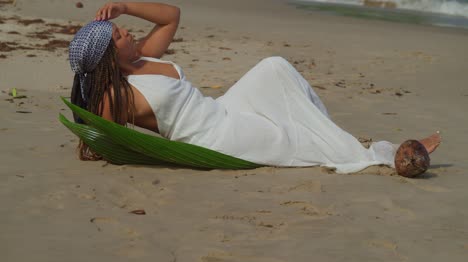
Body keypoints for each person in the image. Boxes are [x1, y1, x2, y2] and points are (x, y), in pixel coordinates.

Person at [68, 1, 440, 174]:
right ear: (106, 58)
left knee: (274, 68)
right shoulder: (117, 94)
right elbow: (108, 137)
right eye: (119, 36)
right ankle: (381, 155)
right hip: (214, 136)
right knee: (292, 138)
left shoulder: (143, 58)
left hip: (222, 108)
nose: (128, 33)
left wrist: (124, 6)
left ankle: (334, 138)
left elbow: (172, 16)